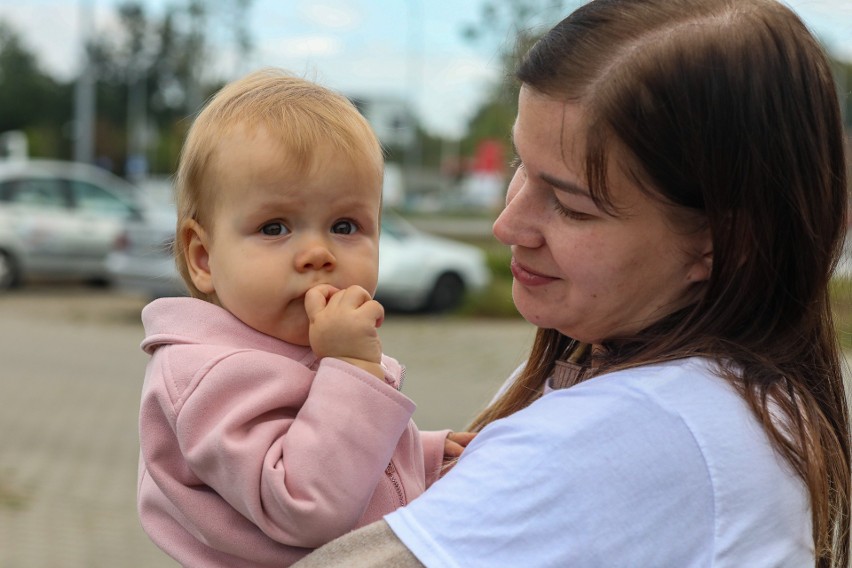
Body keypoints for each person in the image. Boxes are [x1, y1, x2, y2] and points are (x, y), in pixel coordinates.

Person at [293, 0, 851, 566]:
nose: (507, 224)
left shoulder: (626, 433)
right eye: (520, 165)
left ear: (721, 239)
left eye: (571, 205)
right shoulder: (721, 394)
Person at [136, 68, 474, 568]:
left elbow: (323, 451)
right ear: (203, 257)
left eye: (345, 225)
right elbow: (306, 501)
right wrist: (354, 369)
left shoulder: (283, 350)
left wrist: (422, 454)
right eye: (275, 227)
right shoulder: (209, 377)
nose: (317, 253)